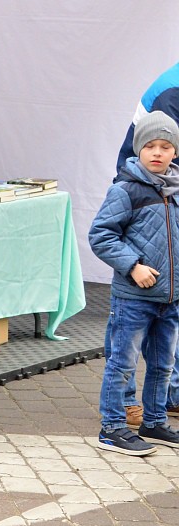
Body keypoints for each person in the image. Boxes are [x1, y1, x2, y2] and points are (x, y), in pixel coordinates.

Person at [89, 111, 179, 455]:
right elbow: (101, 235)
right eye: (150, 146)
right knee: (122, 363)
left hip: (170, 298)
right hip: (134, 297)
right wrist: (134, 266)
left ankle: (155, 421)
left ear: (174, 152)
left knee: (162, 364)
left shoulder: (176, 188)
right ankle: (112, 428)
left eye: (166, 146)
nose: (157, 152)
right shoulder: (126, 189)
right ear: (139, 150)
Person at [114, 66, 179, 428]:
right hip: (147, 203)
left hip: (165, 205)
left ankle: (169, 397)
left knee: (169, 318)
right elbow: (162, 158)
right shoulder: (173, 94)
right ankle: (122, 406)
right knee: (130, 328)